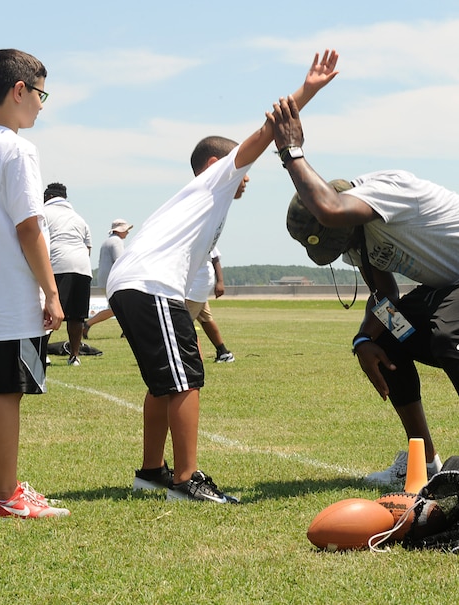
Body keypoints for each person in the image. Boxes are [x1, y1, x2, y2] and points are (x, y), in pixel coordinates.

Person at [267, 94, 459, 489]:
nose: (343, 252)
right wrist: (363, 339)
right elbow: (386, 299)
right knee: (390, 338)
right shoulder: (360, 238)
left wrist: (291, 150)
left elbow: (331, 211)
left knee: (450, 335)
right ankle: (423, 462)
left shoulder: (388, 188)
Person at [106, 49, 339, 503]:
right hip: (150, 284)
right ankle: (186, 480)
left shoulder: (200, 202)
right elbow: (264, 133)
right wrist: (307, 91)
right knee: (187, 378)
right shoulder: (213, 181)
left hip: (131, 283)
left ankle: (152, 472)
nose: (246, 176)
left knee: (163, 382)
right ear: (217, 165)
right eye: (237, 167)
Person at [0, 48, 69, 518]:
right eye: (41, 93)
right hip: (9, 291)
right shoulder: (19, 147)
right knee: (6, 392)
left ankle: (3, 489)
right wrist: (51, 289)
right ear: (19, 90)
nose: (42, 105)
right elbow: (29, 226)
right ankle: (6, 496)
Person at [42, 182, 94, 366]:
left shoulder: (44, 213)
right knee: (77, 316)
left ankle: (42, 354)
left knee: (48, 311)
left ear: (47, 197)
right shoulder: (79, 219)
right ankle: (74, 356)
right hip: (82, 267)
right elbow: (88, 247)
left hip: (58, 265)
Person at [83, 218, 132, 337]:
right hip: (114, 279)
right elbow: (119, 260)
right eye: (126, 230)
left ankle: (126, 331)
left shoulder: (108, 241)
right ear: (120, 230)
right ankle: (88, 324)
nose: (127, 232)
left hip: (105, 279)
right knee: (122, 306)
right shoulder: (117, 242)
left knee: (118, 307)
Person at [186, 247, 234, 363]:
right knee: (206, 319)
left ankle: (194, 358)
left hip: (196, 285)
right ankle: (223, 352)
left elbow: (215, 258)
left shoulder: (200, 232)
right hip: (192, 284)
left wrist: (220, 282)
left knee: (183, 323)